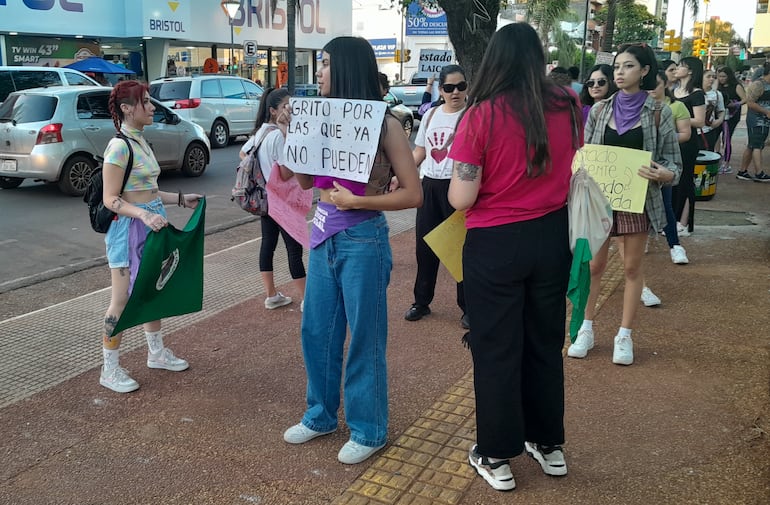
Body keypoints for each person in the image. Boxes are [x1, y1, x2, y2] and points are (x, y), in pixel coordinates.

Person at [447, 23, 582, 492]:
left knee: (496, 347)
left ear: (493, 62)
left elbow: (462, 198)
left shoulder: (479, 115)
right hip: (551, 236)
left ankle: (495, 453)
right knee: (544, 340)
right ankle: (548, 444)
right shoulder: (568, 104)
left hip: (495, 242)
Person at [282, 36, 422, 465]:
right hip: (322, 234)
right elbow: (304, 182)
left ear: (344, 69)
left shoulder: (385, 124)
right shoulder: (318, 118)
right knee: (317, 331)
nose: (318, 73)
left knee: (364, 336)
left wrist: (361, 201)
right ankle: (320, 415)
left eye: (323, 65)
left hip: (364, 238)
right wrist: (294, 132)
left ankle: (369, 428)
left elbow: (414, 193)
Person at [569, 43, 681, 366]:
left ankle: (624, 335)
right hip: (600, 200)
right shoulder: (601, 110)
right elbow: (585, 153)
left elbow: (674, 165)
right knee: (593, 266)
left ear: (644, 71)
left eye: (628, 66)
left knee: (632, 268)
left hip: (638, 200)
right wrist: (580, 166)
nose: (619, 72)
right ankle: (585, 329)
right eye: (617, 66)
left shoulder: (659, 112)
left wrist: (663, 173)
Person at [99, 80, 202, 393]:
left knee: (152, 291)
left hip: (152, 226)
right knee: (122, 298)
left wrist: (181, 199)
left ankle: (156, 354)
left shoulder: (141, 141)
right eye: (145, 101)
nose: (153, 106)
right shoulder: (119, 146)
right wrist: (143, 214)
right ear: (127, 109)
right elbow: (110, 199)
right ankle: (110, 369)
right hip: (128, 230)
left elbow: (150, 191)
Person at [404, 64, 469, 328]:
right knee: (425, 247)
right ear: (440, 90)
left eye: (461, 86)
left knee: (461, 250)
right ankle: (421, 301)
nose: (456, 93)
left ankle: (468, 306)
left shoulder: (472, 115)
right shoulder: (430, 115)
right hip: (430, 186)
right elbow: (419, 152)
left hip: (459, 188)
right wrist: (401, 173)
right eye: (450, 88)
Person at [239, 88, 307, 310]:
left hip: (265, 199)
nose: (291, 108)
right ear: (273, 110)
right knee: (294, 249)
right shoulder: (278, 135)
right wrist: (290, 140)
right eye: (286, 105)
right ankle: (307, 299)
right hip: (282, 201)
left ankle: (271, 295)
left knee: (268, 244)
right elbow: (287, 172)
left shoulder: (261, 132)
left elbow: (243, 154)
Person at [648, 69, 691, 267]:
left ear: (665, 84)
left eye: (655, 84)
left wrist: (663, 139)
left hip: (663, 163)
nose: (650, 89)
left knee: (665, 205)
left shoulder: (675, 106)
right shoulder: (638, 106)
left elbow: (685, 133)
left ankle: (674, 245)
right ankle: (645, 240)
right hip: (640, 165)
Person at [672, 57, 705, 236]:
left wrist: (678, 118)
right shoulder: (674, 90)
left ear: (690, 70)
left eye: (680, 66)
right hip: (673, 140)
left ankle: (684, 222)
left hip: (689, 142)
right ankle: (672, 218)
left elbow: (699, 121)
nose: (677, 69)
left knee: (685, 181)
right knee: (673, 179)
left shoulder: (697, 94)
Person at [737, 61, 770, 182]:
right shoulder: (758, 84)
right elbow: (750, 103)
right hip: (756, 119)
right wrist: (766, 112)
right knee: (757, 145)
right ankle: (759, 172)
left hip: (765, 119)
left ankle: (743, 171)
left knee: (752, 145)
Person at [716, 66, 747, 174]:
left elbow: (745, 99)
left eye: (723, 76)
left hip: (732, 115)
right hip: (719, 114)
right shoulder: (718, 86)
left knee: (727, 138)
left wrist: (735, 104)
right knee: (716, 137)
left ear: (729, 76)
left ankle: (726, 163)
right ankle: (717, 157)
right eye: (719, 76)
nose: (721, 78)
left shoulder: (736, 86)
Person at [700, 69, 725, 152]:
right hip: (696, 130)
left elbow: (721, 110)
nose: (711, 79)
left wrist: (719, 120)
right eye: (708, 76)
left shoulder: (717, 94)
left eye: (714, 77)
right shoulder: (695, 93)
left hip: (709, 129)